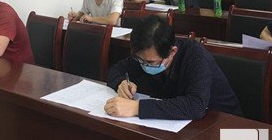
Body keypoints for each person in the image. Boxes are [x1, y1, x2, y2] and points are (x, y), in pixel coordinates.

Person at [104, 15, 242, 120]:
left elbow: (196, 105)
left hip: (224, 123)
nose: (144, 65)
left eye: (151, 62)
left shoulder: (196, 56)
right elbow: (115, 70)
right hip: (182, 124)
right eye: (140, 60)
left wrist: (137, 108)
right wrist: (121, 82)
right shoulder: (144, 54)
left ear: (172, 52)